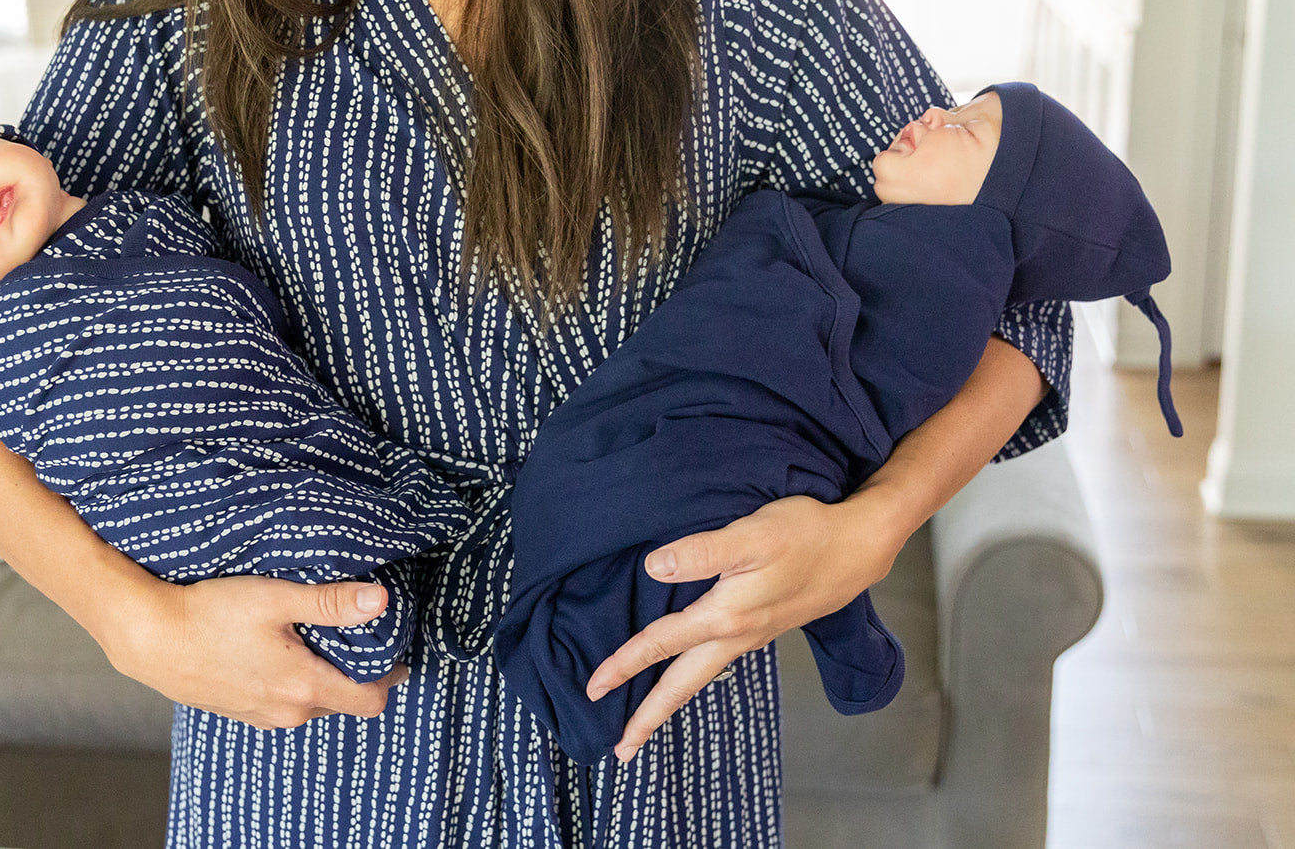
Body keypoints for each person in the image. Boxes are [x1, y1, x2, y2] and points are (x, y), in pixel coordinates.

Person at [0, 0, 1075, 844]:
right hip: (322, 730)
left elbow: (1013, 268)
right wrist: (129, 620)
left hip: (647, 710)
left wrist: (872, 526)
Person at [496, 82, 1180, 764]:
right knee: (594, 492)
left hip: (739, 439)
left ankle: (820, 641)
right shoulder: (898, 228)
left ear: (1004, 218)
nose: (934, 113)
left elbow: (832, 397)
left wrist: (870, 527)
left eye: (967, 130)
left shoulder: (953, 285)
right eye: (961, 108)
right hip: (680, 406)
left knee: (673, 514)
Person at [0, 118, 472, 682]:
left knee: (356, 496)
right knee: (308, 539)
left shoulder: (144, 213)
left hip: (273, 418)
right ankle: (335, 587)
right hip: (165, 485)